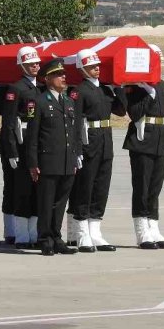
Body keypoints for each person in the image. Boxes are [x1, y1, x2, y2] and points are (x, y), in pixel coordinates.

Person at [66, 49, 127, 252]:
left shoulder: (105, 90)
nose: (97, 69)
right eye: (92, 67)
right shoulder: (78, 91)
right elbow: (74, 123)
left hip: (105, 141)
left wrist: (119, 88)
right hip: (88, 142)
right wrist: (76, 150)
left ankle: (95, 231)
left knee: (102, 186)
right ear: (82, 69)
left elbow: (120, 111)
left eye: (97, 66)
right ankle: (81, 232)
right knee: (85, 186)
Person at [25, 57, 82, 256]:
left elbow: (73, 132)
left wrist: (75, 156)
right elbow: (32, 136)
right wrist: (33, 163)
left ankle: (57, 238)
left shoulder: (68, 102)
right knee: (46, 203)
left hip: (66, 162)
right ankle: (45, 239)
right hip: (47, 162)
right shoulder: (38, 102)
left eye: (63, 74)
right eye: (58, 75)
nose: (63, 77)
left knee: (60, 204)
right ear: (47, 79)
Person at [122, 44, 164, 249]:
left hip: (160, 140)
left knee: (155, 187)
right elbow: (134, 113)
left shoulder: (161, 84)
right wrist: (148, 95)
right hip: (142, 141)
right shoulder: (135, 86)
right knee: (142, 187)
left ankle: (154, 228)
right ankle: (142, 231)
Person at [0, 45, 41, 248]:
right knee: (17, 189)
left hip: (33, 143)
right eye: (31, 64)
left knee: (33, 189)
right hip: (18, 143)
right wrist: (11, 151)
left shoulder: (40, 88)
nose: (35, 66)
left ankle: (32, 233)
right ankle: (16, 233)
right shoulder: (15, 89)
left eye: (37, 63)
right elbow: (8, 122)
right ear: (22, 66)